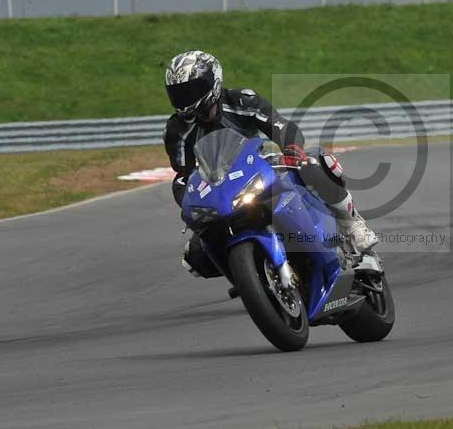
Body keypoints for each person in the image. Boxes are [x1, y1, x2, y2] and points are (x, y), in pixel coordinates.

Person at [162, 50, 378, 276]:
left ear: (212, 82)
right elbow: (185, 174)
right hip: (220, 189)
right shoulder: (177, 130)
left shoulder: (242, 101)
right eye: (178, 93)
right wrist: (191, 204)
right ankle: (249, 276)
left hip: (257, 168)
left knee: (315, 161)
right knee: (194, 257)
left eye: (191, 90)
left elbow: (282, 127)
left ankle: (350, 223)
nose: (185, 99)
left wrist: (292, 149)